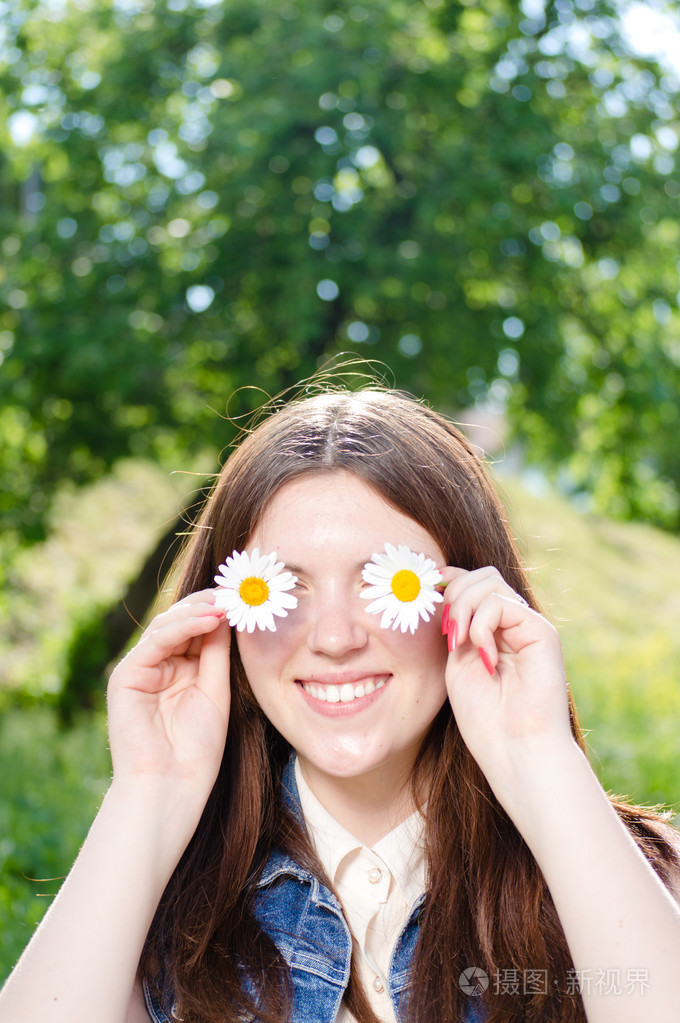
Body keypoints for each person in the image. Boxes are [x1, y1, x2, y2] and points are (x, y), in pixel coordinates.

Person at [2, 385, 680, 1023]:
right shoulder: (155, 914)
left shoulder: (640, 873)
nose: (333, 638)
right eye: (282, 590)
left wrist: (539, 754)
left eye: (385, 580)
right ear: (224, 618)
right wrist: (148, 791)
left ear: (473, 593)